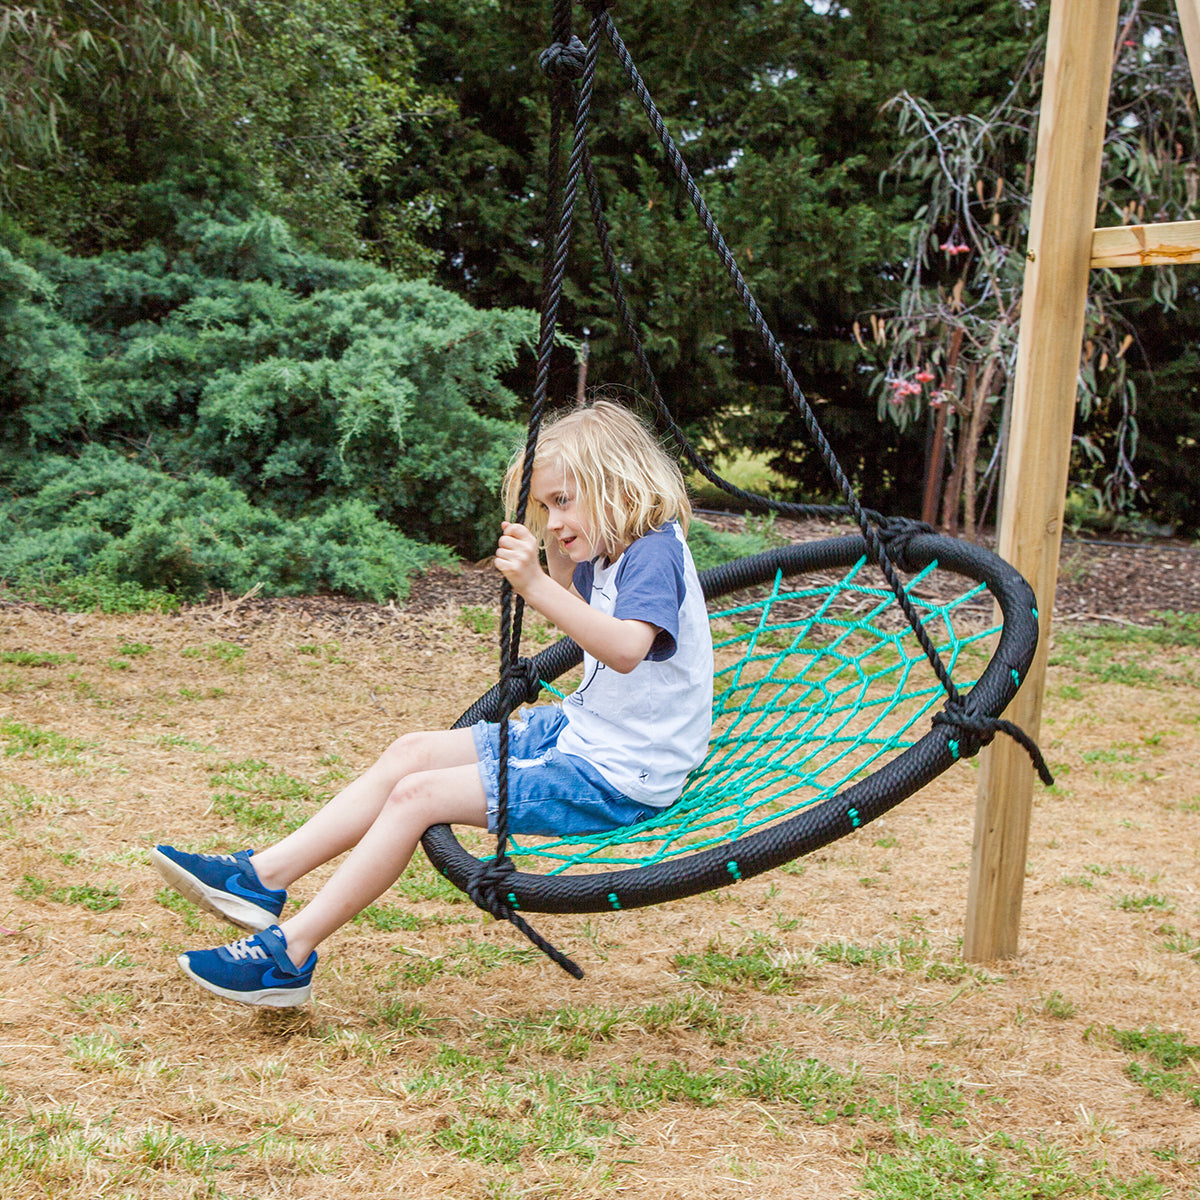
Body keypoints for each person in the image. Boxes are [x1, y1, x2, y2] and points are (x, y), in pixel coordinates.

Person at [152, 400, 714, 1006]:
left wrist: (532, 584)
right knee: (410, 753)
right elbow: (576, 602)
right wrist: (551, 547)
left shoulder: (654, 551)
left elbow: (626, 647)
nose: (554, 520)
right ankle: (261, 878)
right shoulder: (612, 548)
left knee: (416, 797)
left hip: (619, 775)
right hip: (585, 733)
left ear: (618, 485)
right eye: (545, 506)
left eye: (563, 501)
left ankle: (287, 957)